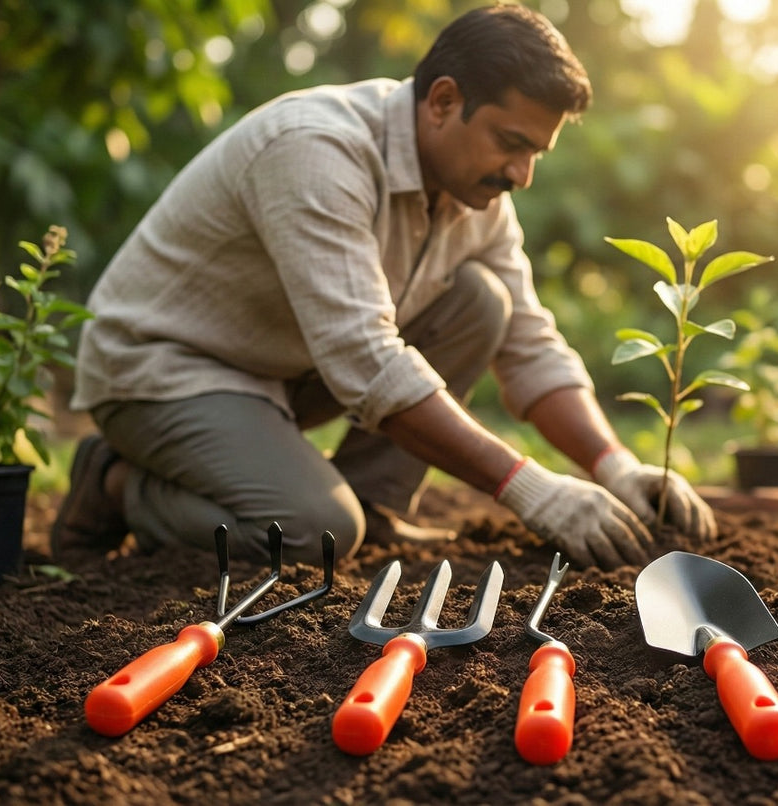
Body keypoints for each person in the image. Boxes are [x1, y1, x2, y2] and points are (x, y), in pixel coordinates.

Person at [51, 2, 717, 570]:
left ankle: (376, 504)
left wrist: (613, 464)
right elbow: (365, 360)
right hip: (164, 371)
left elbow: (527, 344)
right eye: (510, 142)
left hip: (285, 371)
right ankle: (114, 483)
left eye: (535, 154)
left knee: (484, 301)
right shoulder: (316, 151)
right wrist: (528, 488)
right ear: (443, 101)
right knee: (315, 531)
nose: (521, 174)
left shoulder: (472, 195)